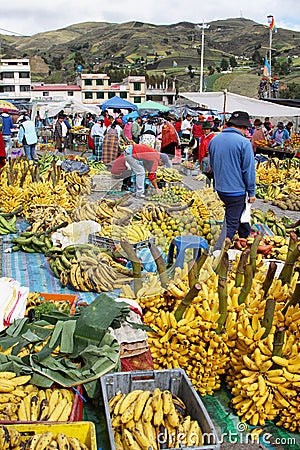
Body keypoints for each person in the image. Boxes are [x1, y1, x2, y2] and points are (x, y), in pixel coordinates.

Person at [208, 111, 256, 247]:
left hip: (220, 189)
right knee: (231, 223)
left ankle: (244, 237)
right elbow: (249, 170)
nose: (247, 131)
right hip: (236, 191)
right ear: (243, 127)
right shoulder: (244, 143)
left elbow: (211, 166)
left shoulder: (214, 140)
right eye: (246, 128)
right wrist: (251, 192)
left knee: (236, 215)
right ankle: (220, 250)